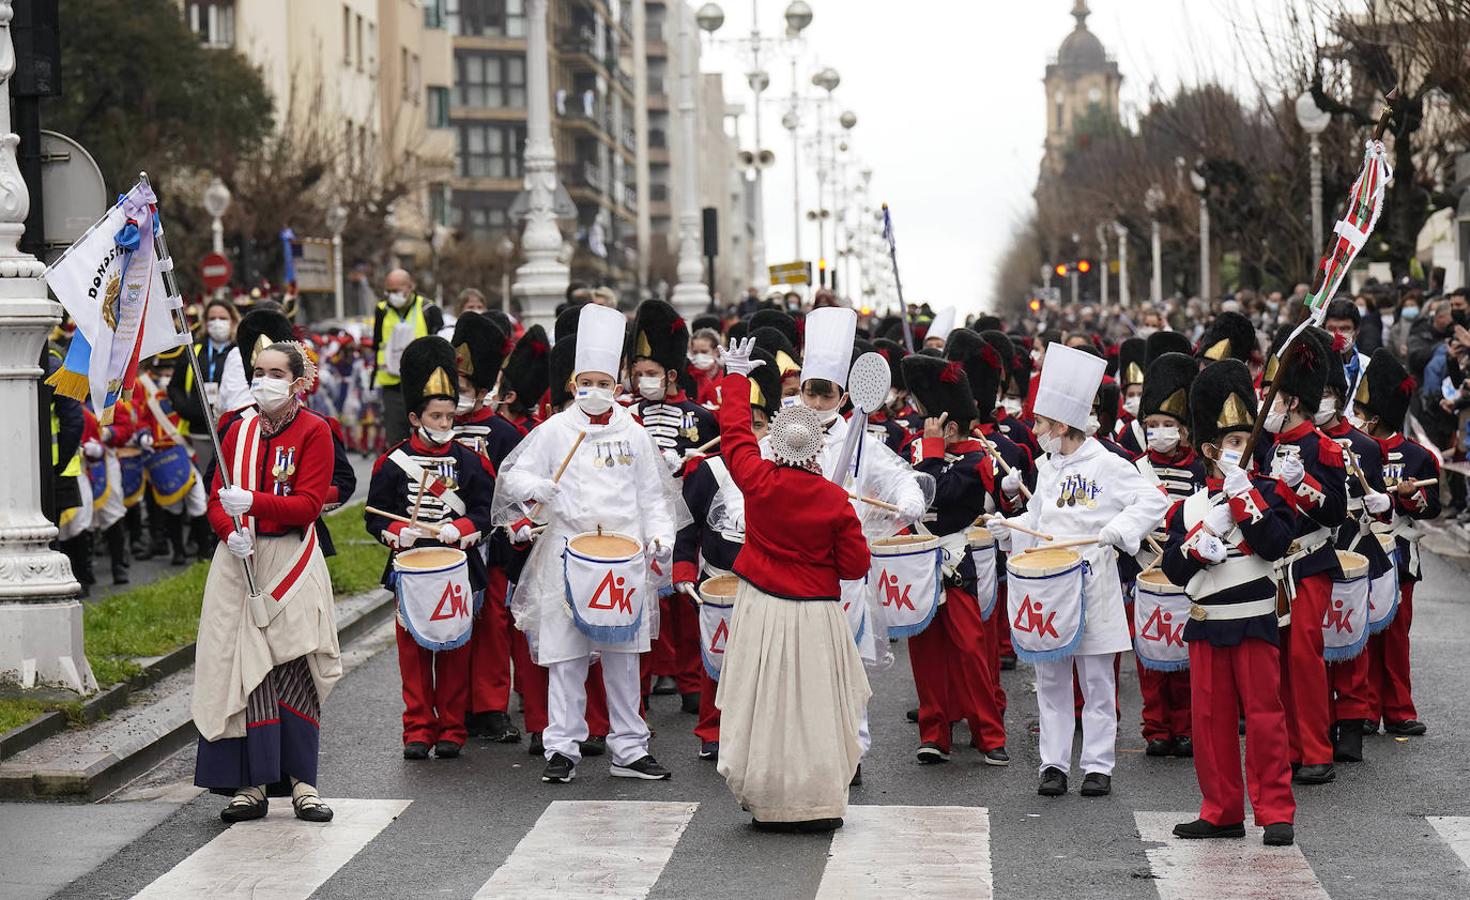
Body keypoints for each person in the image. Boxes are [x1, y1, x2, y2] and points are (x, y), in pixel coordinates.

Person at [494, 302, 679, 784]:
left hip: (623, 558)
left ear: (617, 388)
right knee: (566, 654)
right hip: (567, 554)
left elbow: (654, 494)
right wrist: (539, 489)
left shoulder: (634, 435)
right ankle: (562, 746)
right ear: (574, 385)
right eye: (586, 383)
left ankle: (630, 747)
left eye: (603, 383)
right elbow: (513, 477)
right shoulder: (555, 430)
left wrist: (660, 534)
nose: (594, 392)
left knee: (623, 655)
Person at [986, 343, 1169, 798]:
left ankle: (1098, 765)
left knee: (1097, 678)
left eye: (1041, 424)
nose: (1036, 431)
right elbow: (1040, 522)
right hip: (1051, 584)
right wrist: (1008, 527)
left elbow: (1153, 500)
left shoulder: (1109, 464)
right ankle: (1053, 763)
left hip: (1096, 581)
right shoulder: (1046, 468)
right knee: (1050, 677)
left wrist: (1118, 529)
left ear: (1061, 425)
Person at [714, 337, 870, 832]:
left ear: (777, 440)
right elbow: (855, 566)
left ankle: (768, 801)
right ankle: (818, 802)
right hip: (817, 611)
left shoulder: (756, 480)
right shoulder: (833, 500)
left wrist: (736, 377)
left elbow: (735, 435)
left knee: (764, 703)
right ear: (819, 446)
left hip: (761, 605)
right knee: (815, 706)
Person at [193, 341, 342, 824]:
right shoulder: (235, 430)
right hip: (240, 557)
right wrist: (226, 529)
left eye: (277, 372)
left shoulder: (315, 430)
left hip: (290, 557)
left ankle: (303, 784)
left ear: (299, 382)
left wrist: (252, 502)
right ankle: (251, 784)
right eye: (259, 371)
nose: (265, 380)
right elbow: (216, 497)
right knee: (243, 667)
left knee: (293, 662)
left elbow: (307, 505)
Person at [1161, 359, 1297, 848]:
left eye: (1246, 439)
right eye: (1231, 442)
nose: (1240, 449)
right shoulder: (1189, 506)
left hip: (1255, 619)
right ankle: (1220, 810)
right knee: (1210, 720)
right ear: (1209, 450)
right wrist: (1197, 543)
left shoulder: (1268, 492)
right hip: (1206, 621)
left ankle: (1276, 811)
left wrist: (1245, 501)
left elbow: (1276, 544)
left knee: (1264, 717)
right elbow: (1175, 571)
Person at [366, 337, 497, 761]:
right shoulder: (391, 462)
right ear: (414, 417)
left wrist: (459, 529)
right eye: (435, 417)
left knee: (455, 650)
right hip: (409, 567)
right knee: (413, 654)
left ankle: (452, 730)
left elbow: (484, 513)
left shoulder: (471, 461)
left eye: (448, 416)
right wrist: (393, 532)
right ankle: (418, 729)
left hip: (456, 569)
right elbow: (375, 515)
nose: (444, 424)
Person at [673, 346, 782, 761]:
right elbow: (689, 524)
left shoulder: (780, 470)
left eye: (759, 425)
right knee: (716, 658)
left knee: (766, 662)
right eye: (745, 424)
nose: (752, 433)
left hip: (767, 582)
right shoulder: (708, 469)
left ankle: (759, 730)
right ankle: (712, 729)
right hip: (718, 577)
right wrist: (684, 570)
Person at [901, 352, 1009, 766]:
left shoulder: (976, 459)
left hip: (955, 559)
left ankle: (989, 734)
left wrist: (930, 452)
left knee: (969, 649)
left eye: (928, 418)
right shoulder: (915, 450)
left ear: (948, 425)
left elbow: (937, 492)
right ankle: (934, 733)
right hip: (916, 557)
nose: (919, 422)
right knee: (925, 652)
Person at [1253, 329, 1348, 786]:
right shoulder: (1267, 445)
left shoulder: (1321, 446)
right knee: (1277, 659)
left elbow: (1336, 511)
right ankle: (1290, 747)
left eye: (1273, 397)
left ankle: (1316, 749)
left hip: (1309, 561)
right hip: (1274, 565)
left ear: (1290, 401)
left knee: (1304, 656)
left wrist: (1303, 484)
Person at [1311, 328, 1394, 765]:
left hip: (1355, 550)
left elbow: (1381, 508)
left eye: (1328, 392)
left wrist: (1382, 502)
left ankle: (1351, 726)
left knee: (1352, 647)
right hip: (1313, 551)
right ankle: (1319, 722)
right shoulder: (1300, 445)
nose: (1321, 400)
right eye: (1316, 392)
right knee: (1314, 648)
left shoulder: (1364, 445)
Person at [449, 312, 526, 744]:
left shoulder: (503, 432)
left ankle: (491, 705)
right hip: (448, 543)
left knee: (494, 622)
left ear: (481, 389)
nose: (455, 398)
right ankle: (458, 705)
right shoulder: (434, 427)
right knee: (455, 622)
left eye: (462, 389)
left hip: (492, 543)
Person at [1354, 348, 1437, 737]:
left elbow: (1430, 509)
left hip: (1401, 553)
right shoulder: (1354, 450)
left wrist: (1407, 497)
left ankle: (1399, 709)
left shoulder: (1418, 456)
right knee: (1366, 633)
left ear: (1375, 415)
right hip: (1364, 550)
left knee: (1396, 635)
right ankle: (1367, 709)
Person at [1132, 352, 1207, 757]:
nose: (1159, 432)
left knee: (1184, 653)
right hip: (1146, 568)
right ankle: (1155, 726)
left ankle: (1184, 725)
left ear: (1183, 429)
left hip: (1184, 568)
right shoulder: (1134, 468)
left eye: (1168, 425)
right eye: (1152, 425)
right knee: (1149, 653)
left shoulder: (1199, 470)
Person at [372, 269, 445, 446]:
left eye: (397, 290)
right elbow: (377, 344)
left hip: (424, 385)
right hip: (392, 385)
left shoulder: (429, 309)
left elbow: (441, 348)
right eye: (389, 291)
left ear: (410, 286)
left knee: (427, 437)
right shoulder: (382, 310)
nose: (392, 295)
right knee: (396, 440)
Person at [170, 297, 239, 471]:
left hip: (233, 430)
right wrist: (187, 410)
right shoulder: (193, 351)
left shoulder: (239, 351)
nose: (218, 323)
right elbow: (174, 386)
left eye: (223, 318)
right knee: (207, 482)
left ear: (233, 321)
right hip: (199, 430)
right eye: (212, 318)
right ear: (205, 322)